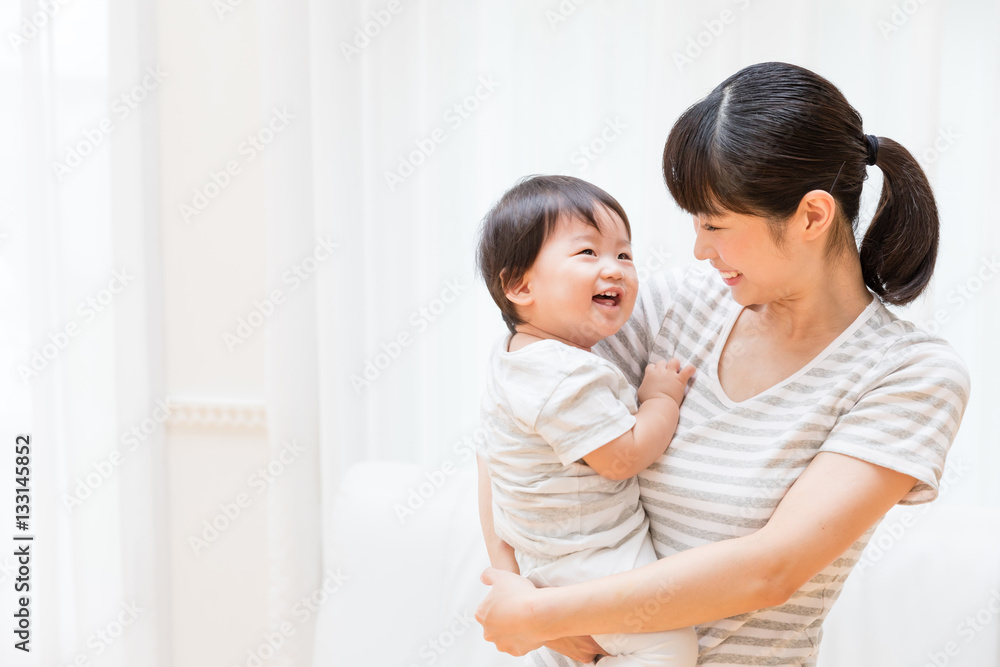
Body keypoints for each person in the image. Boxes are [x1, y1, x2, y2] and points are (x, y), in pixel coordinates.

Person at [474, 61, 971, 667]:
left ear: (812, 215)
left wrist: (544, 614)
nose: (699, 248)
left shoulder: (907, 375)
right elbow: (516, 413)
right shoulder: (671, 308)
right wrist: (513, 587)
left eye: (715, 224)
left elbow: (771, 570)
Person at [475, 174, 699, 665]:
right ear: (519, 284)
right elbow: (623, 458)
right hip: (593, 561)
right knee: (670, 643)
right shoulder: (564, 373)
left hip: (543, 567)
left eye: (624, 254)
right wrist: (660, 399)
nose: (614, 269)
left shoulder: (510, 359)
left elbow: (485, 459)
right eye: (587, 254)